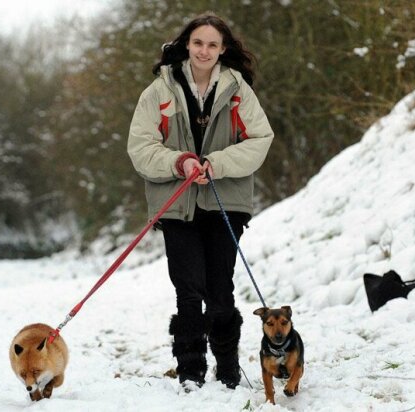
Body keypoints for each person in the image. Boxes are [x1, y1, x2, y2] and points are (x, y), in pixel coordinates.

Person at [127, 12, 274, 391]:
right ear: (186, 45)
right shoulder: (158, 91)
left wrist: (217, 164)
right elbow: (140, 148)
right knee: (187, 289)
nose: (204, 50)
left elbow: (260, 140)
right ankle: (190, 369)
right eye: (197, 43)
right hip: (175, 204)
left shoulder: (239, 92)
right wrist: (180, 162)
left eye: (212, 44)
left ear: (223, 49)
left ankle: (227, 368)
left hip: (226, 201)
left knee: (220, 287)